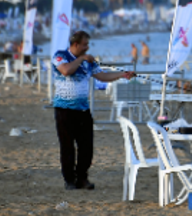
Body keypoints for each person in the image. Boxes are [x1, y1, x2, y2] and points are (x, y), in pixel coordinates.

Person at [52, 30, 135, 190]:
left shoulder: (89, 61)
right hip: (64, 110)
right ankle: (69, 181)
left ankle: (82, 178)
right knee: (67, 147)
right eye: (85, 44)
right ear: (76, 44)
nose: (87, 47)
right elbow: (66, 70)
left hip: (83, 110)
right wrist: (81, 59)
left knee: (86, 147)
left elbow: (102, 76)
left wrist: (122, 74)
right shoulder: (60, 55)